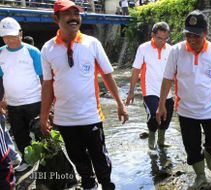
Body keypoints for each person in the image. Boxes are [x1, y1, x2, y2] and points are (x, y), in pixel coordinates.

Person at [40, 0, 128, 189]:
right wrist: (44, 115)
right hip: (64, 119)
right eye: (68, 14)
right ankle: (89, 183)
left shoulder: (92, 43)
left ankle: (106, 184)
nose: (74, 18)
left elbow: (107, 75)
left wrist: (120, 104)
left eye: (76, 14)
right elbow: (47, 85)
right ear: (56, 18)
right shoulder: (47, 49)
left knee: (100, 156)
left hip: (91, 116)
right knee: (77, 157)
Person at [156, 10, 211, 190]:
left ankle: (209, 153)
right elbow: (167, 78)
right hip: (185, 110)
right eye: (188, 34)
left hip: (210, 108)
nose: (191, 39)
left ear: (205, 33)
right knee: (191, 148)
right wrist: (161, 105)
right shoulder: (176, 51)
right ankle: (201, 177)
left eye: (196, 35)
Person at [0, 17, 42, 172]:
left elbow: (44, 77)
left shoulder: (32, 51)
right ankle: (27, 160)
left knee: (40, 133)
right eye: (5, 37)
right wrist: (1, 100)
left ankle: (45, 161)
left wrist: (48, 102)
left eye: (12, 36)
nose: (9, 40)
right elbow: (0, 78)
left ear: (21, 34)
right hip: (13, 103)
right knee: (19, 134)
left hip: (34, 101)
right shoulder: (0, 53)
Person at [125, 22, 173, 150]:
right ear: (152, 35)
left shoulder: (171, 50)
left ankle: (161, 141)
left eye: (165, 39)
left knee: (166, 118)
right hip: (149, 90)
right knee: (153, 115)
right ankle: (152, 138)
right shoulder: (143, 48)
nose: (162, 41)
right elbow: (136, 70)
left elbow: (176, 72)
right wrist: (131, 91)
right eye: (159, 38)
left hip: (167, 91)